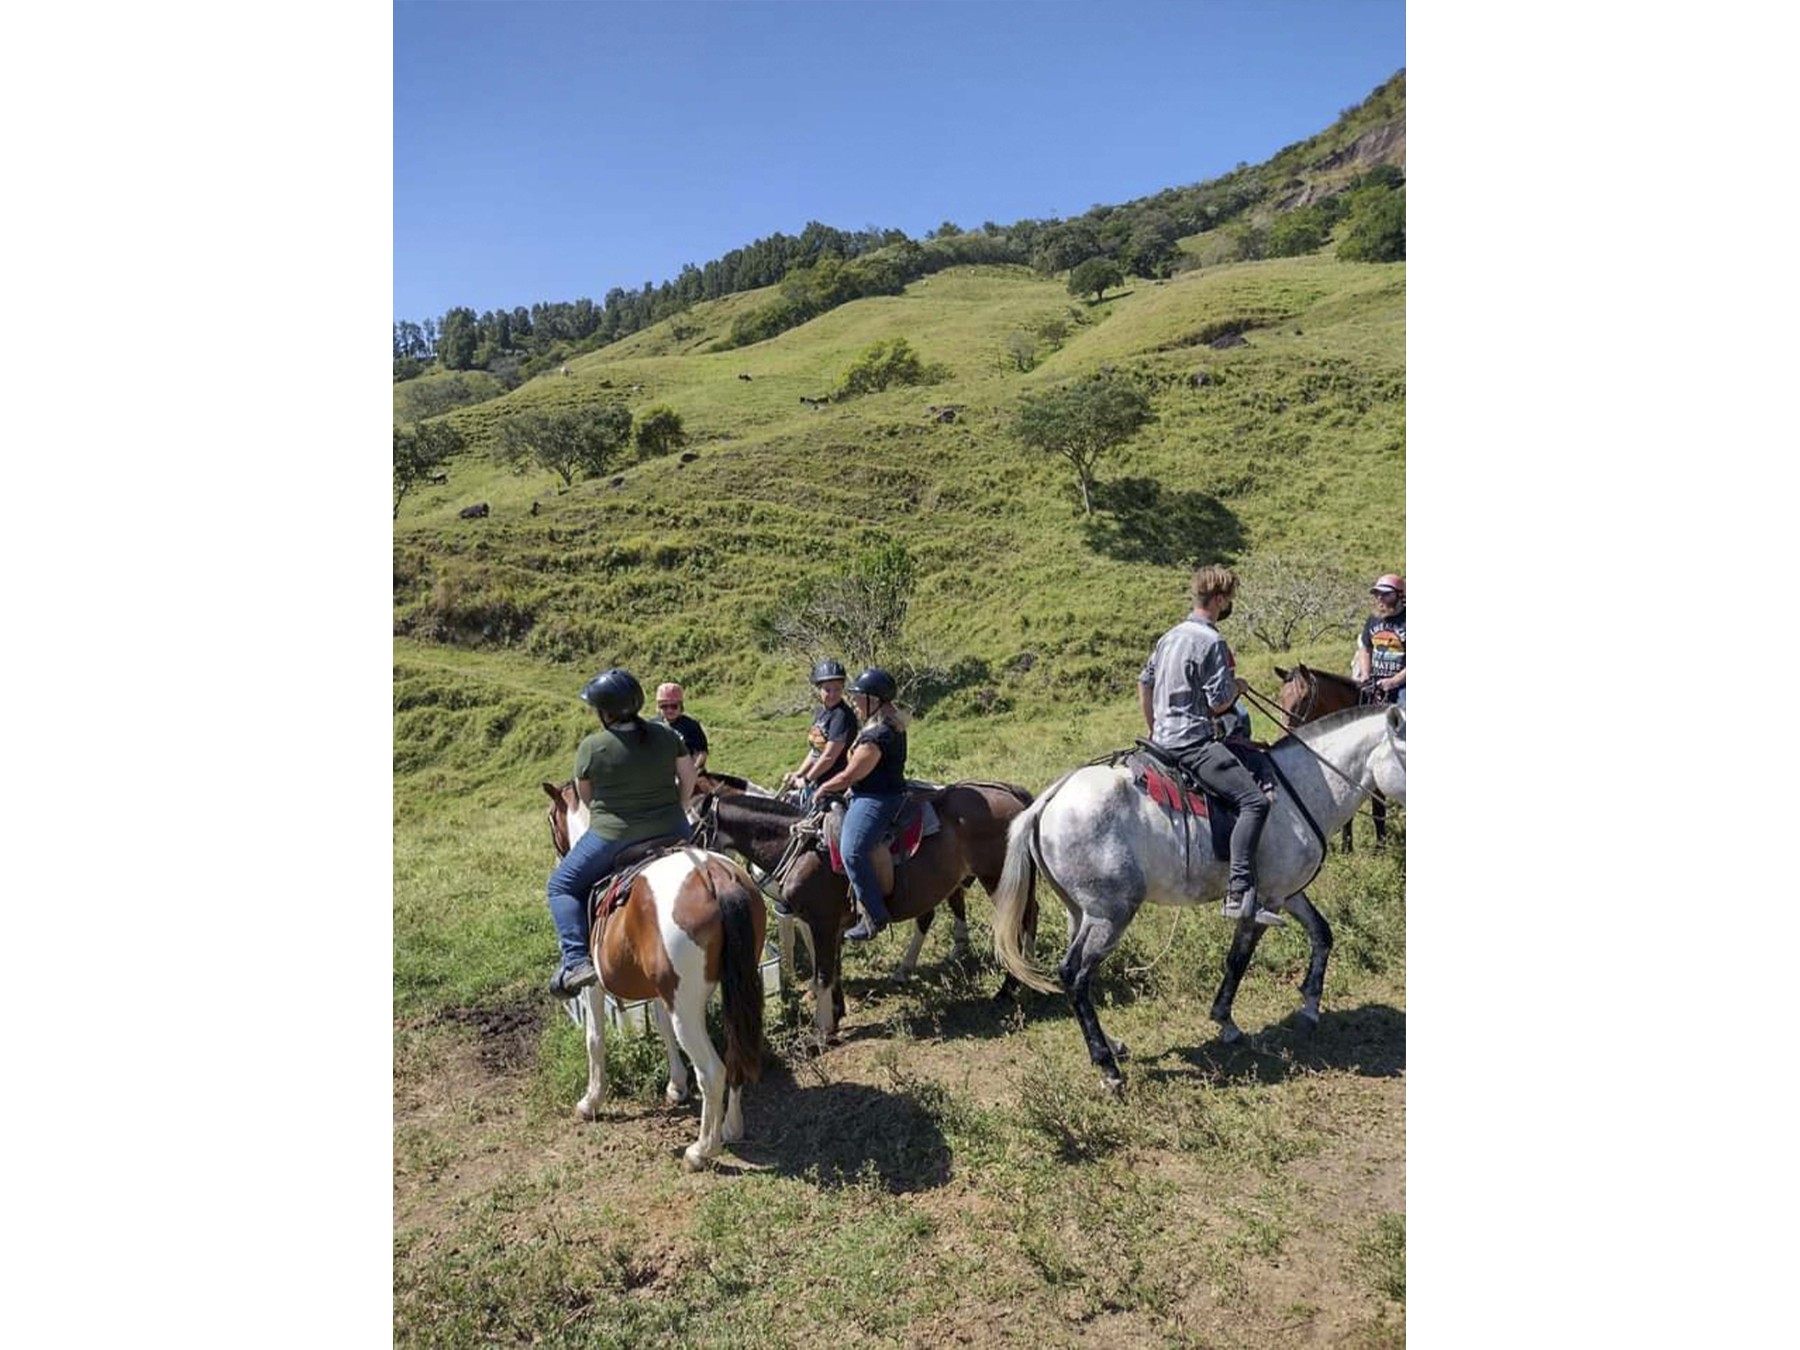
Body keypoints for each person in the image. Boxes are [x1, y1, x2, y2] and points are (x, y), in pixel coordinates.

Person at [1138, 565, 1283, 926]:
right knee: (1254, 802)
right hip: (1193, 743)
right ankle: (1238, 891)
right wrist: (1240, 686)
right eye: (1228, 599)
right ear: (1218, 599)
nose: (1228, 605)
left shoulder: (1169, 636)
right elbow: (1219, 703)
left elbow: (1145, 684)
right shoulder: (1212, 641)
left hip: (1161, 742)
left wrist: (1155, 727)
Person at [545, 668, 697, 995]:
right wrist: (678, 809)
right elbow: (688, 778)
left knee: (560, 885)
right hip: (674, 827)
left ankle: (575, 962)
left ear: (605, 712)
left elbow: (585, 798)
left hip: (614, 836)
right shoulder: (667, 735)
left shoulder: (592, 747)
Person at [817, 666, 907, 942]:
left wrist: (823, 787)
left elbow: (850, 775)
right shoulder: (888, 722)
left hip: (876, 798)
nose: (854, 701)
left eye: (859, 696)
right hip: (877, 790)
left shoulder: (877, 734)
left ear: (875, 699)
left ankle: (874, 915)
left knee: (853, 850)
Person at [779, 659, 860, 809]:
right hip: (818, 779)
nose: (832, 694)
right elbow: (816, 751)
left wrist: (807, 780)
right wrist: (799, 773)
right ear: (819, 689)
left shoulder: (841, 716)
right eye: (827, 689)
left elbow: (829, 756)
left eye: (837, 689)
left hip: (835, 784)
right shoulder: (821, 712)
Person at [1353, 574, 1406, 708]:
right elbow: (1366, 649)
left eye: (1386, 594)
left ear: (1400, 595)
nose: (1380, 598)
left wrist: (1394, 681)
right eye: (1377, 594)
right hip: (1375, 683)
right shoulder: (1373, 619)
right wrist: (1365, 674)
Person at [653, 680, 709, 772]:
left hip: (686, 770)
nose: (669, 710)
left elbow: (702, 753)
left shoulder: (691, 726)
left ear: (681, 706)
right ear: (658, 707)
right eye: (664, 706)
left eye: (674, 706)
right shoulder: (652, 725)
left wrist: (693, 770)